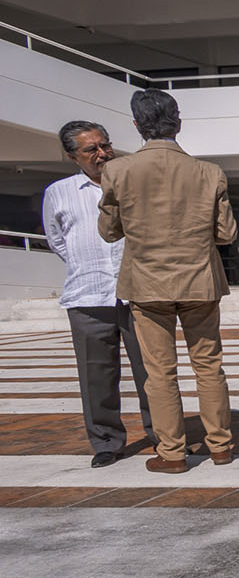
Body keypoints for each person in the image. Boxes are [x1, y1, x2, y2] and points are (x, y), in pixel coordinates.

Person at [97, 89, 237, 474]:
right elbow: (225, 233)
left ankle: (173, 453)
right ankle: (221, 446)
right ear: (178, 123)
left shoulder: (118, 171)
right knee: (208, 365)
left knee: (159, 372)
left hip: (147, 283)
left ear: (137, 125)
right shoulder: (209, 172)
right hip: (200, 282)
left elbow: (109, 232)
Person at [41, 119, 153, 468]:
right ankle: (106, 442)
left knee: (152, 372)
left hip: (138, 293)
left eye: (105, 144)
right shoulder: (58, 192)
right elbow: (57, 240)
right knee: (96, 377)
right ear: (72, 156)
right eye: (92, 149)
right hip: (87, 297)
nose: (102, 153)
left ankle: (164, 435)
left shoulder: (133, 182)